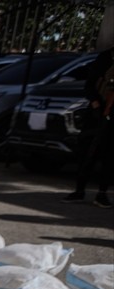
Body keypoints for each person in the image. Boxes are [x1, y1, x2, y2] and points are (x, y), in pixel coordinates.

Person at [62, 46, 113, 208]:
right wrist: (97, 106)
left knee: (109, 157)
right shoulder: (106, 58)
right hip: (97, 113)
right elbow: (89, 85)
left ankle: (102, 194)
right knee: (88, 152)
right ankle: (79, 190)